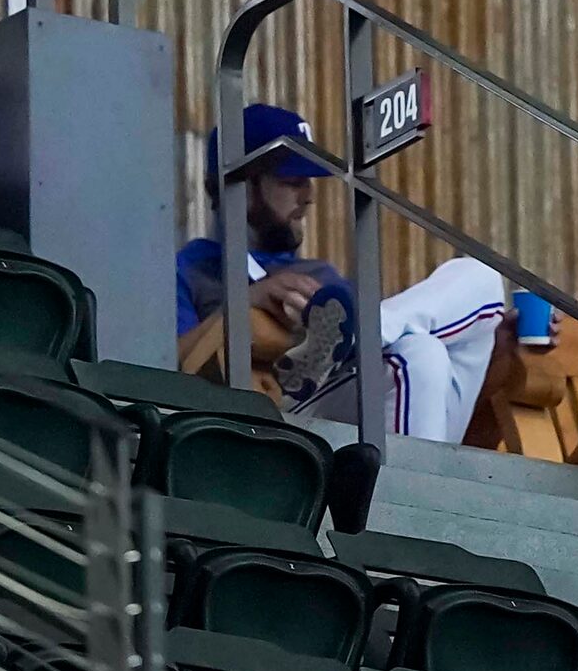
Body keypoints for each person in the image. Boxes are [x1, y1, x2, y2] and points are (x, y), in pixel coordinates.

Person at [175, 102, 508, 442]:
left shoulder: (320, 272)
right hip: (274, 417)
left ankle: (368, 331)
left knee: (474, 284)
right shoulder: (194, 268)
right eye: (293, 180)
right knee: (415, 359)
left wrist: (499, 340)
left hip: (364, 409)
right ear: (241, 186)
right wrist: (245, 303)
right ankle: (366, 333)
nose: (308, 197)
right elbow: (165, 368)